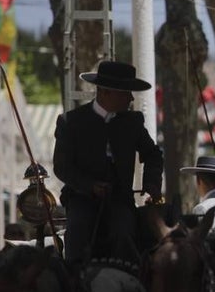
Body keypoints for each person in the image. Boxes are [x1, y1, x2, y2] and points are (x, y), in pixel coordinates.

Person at [52, 60, 163, 264]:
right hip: (81, 198)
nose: (130, 98)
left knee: (125, 235)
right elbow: (62, 166)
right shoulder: (71, 122)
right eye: (125, 93)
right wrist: (90, 186)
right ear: (105, 92)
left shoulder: (133, 122)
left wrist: (152, 184)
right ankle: (75, 285)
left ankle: (131, 281)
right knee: (77, 234)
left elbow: (153, 154)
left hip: (120, 200)